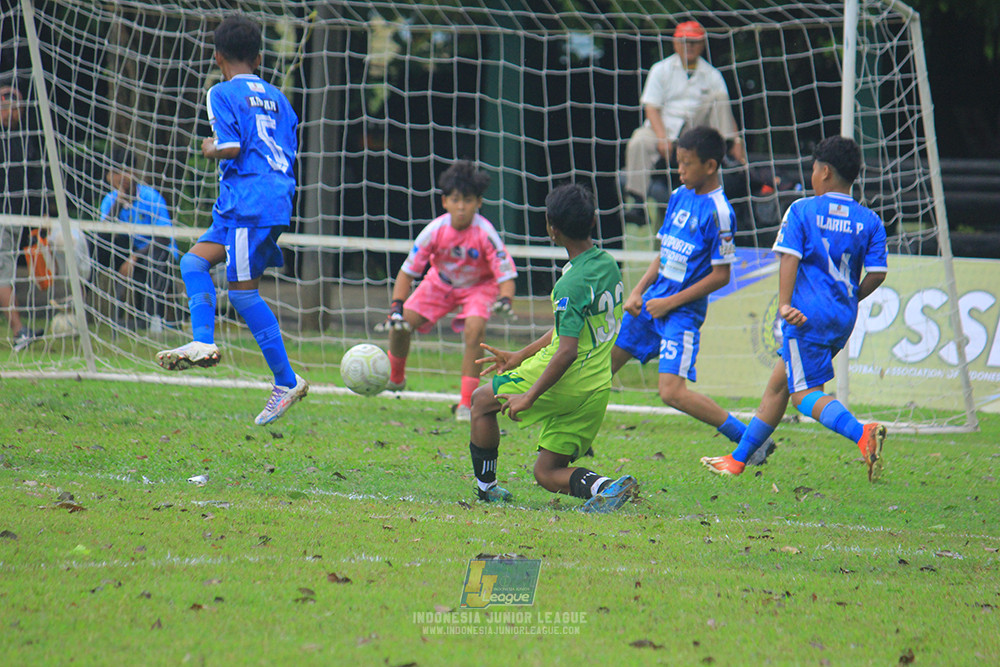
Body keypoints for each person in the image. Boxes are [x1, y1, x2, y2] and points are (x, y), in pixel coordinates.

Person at [701, 135, 888, 480]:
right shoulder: (870, 220)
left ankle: (862, 433)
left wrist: (785, 304)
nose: (812, 175)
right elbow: (878, 273)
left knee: (803, 395)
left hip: (805, 316)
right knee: (779, 386)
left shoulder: (803, 209)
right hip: (842, 318)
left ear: (825, 171)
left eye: (814, 169)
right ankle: (739, 459)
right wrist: (850, 298)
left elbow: (790, 257)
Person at [156, 14, 308, 426]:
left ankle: (286, 380)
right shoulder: (281, 98)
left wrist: (208, 150)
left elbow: (230, 145)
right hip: (266, 198)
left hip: (249, 202)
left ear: (218, 56)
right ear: (258, 56)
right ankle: (202, 342)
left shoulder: (221, 91)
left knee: (242, 294)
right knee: (194, 262)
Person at [467, 183, 638, 513]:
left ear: (552, 229)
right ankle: (605, 487)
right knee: (547, 473)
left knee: (480, 402)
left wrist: (528, 397)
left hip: (567, 378)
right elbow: (569, 329)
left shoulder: (568, 284)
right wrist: (520, 356)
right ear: (592, 222)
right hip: (597, 386)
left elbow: (566, 351)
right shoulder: (607, 264)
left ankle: (486, 490)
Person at [612, 126, 773, 465]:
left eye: (686, 164)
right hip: (652, 301)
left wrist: (670, 303)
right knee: (602, 368)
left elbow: (721, 275)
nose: (680, 170)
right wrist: (638, 291)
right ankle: (573, 436)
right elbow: (664, 253)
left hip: (680, 312)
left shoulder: (721, 212)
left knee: (671, 392)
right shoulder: (678, 195)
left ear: (711, 165)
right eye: (678, 163)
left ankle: (749, 442)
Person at [378, 160, 517, 422]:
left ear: (478, 202)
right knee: (401, 325)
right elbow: (407, 272)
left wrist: (506, 298)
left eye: (467, 200)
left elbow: (506, 274)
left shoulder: (485, 233)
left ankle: (466, 403)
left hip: (478, 287)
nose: (461, 206)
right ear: (445, 202)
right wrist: (396, 307)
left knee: (475, 330)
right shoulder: (434, 230)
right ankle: (396, 378)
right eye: (455, 200)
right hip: (440, 283)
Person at [622, 20, 745, 225]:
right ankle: (637, 201)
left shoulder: (712, 75)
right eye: (685, 42)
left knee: (718, 98)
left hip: (695, 130)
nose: (689, 46)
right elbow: (651, 107)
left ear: (702, 44)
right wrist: (662, 137)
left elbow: (724, 110)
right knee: (638, 141)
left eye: (694, 42)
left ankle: (726, 148)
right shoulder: (660, 69)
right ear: (675, 43)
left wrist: (737, 142)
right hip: (663, 128)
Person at [99, 149, 179, 332]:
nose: (121, 177)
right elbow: (103, 234)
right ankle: (80, 304)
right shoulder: (109, 201)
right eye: (115, 172)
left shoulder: (151, 198)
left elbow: (164, 237)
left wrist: (134, 258)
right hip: (127, 253)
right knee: (100, 246)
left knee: (156, 255)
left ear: (134, 173)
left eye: (124, 171)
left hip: (154, 251)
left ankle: (155, 318)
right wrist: (118, 203)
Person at [0, 78, 45, 351]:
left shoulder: (25, 138)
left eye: (16, 101)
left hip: (18, 220)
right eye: (6, 100)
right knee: (3, 274)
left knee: (9, 273)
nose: (12, 106)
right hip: (2, 219)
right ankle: (19, 332)